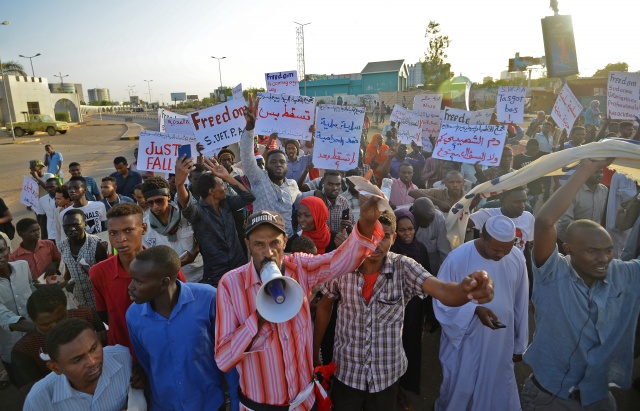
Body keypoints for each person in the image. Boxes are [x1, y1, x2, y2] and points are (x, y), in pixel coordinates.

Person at [215, 188, 388, 410]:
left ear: (285, 241)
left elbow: (340, 261)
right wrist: (259, 318)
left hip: (305, 403)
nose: (268, 252)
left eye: (274, 243)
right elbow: (224, 359)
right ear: (248, 244)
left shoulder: (299, 266)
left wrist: (365, 222)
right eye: (259, 244)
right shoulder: (230, 285)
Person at [314, 211, 495, 411]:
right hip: (347, 372)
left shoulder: (404, 267)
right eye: (370, 236)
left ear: (393, 239)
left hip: (386, 375)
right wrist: (315, 354)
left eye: (384, 237)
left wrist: (466, 291)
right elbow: (324, 306)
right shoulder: (343, 265)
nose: (376, 243)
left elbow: (442, 290)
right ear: (360, 236)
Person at [521, 158, 640, 410]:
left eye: (608, 251)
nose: (603, 259)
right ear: (568, 249)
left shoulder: (620, 273)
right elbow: (544, 222)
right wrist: (587, 169)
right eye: (593, 251)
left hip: (598, 397)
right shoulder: (553, 273)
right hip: (549, 398)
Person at [126, 246, 239, 411]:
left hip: (210, 405)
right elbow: (147, 365)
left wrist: (235, 404)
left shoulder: (209, 299)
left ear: (164, 282)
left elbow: (229, 356)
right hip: (163, 406)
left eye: (139, 281)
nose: (130, 286)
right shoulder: (133, 316)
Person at [434, 215, 529, 411]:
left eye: (507, 249)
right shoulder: (457, 258)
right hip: (467, 342)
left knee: (498, 383)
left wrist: (520, 344)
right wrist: (474, 309)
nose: (501, 255)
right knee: (462, 384)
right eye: (496, 249)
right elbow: (441, 300)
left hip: (501, 340)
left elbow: (521, 299)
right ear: (482, 237)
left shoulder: (517, 256)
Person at [89, 203, 185, 351]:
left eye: (128, 230)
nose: (120, 239)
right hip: (124, 352)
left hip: (166, 349)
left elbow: (184, 309)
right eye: (113, 233)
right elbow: (105, 314)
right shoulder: (98, 272)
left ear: (144, 229)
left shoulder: (165, 264)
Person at [176, 156, 255, 286]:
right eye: (222, 184)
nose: (224, 188)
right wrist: (179, 185)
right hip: (216, 274)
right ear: (212, 191)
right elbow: (186, 205)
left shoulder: (227, 203)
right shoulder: (198, 213)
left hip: (239, 266)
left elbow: (249, 197)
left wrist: (226, 177)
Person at [23, 318, 133, 411]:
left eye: (94, 348)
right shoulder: (38, 401)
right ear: (55, 367)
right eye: (77, 360)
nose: (92, 362)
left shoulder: (123, 358)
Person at [11, 285, 105, 388]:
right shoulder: (24, 350)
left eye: (61, 319)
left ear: (66, 308)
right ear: (33, 321)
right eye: (46, 324)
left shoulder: (87, 315)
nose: (56, 327)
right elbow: (32, 389)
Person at [239, 97, 301, 237]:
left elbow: (303, 201)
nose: (278, 164)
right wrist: (250, 127)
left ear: (287, 166)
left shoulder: (293, 185)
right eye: (273, 162)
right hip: (264, 243)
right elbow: (246, 156)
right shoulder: (258, 179)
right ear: (266, 166)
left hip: (287, 242)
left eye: (281, 162)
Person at [389, 209, 430, 400]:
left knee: (411, 349)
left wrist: (429, 317)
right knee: (393, 351)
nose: (407, 234)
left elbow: (429, 282)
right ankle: (393, 390)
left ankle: (405, 390)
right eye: (402, 230)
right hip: (394, 310)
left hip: (415, 310)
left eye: (410, 229)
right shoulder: (390, 251)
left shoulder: (421, 249)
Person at [140, 176, 203, 282]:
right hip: (173, 281)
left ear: (168, 197)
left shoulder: (186, 216)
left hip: (200, 274)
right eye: (150, 203)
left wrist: (195, 252)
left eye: (159, 201)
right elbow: (150, 261)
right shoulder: (145, 228)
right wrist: (180, 263)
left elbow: (203, 238)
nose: (155, 206)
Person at [0, 236, 36, 383]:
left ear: (8, 250)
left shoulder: (23, 266)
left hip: (37, 343)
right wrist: (45, 329)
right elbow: (5, 316)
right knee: (25, 389)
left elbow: (31, 288)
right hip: (12, 351)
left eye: (1, 250)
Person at [59, 209, 109, 309]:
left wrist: (92, 272)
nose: (72, 229)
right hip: (78, 301)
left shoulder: (98, 245)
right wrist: (67, 284)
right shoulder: (62, 246)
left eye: (76, 225)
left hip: (99, 301)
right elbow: (69, 272)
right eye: (67, 226)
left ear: (85, 224)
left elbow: (106, 277)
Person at [555, 168, 608, 246]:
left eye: (601, 172)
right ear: (586, 173)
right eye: (595, 172)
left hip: (591, 239)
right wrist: (585, 232)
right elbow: (565, 220)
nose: (599, 175)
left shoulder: (604, 190)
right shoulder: (573, 190)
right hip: (569, 239)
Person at [412, 197, 451, 275]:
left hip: (432, 271)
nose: (428, 224)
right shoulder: (402, 218)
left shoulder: (438, 218)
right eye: (424, 222)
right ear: (413, 214)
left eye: (430, 221)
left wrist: (445, 274)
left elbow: (444, 251)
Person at [513, 139, 546, 210]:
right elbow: (514, 174)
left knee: (534, 212)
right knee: (524, 211)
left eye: (536, 150)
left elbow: (556, 155)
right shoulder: (518, 158)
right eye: (533, 150)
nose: (534, 152)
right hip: (524, 191)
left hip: (537, 190)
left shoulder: (540, 156)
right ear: (527, 147)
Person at [36, 177, 61, 243]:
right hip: (52, 235)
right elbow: (42, 218)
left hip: (66, 233)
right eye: (47, 187)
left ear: (58, 185)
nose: (49, 189)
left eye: (52, 187)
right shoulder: (42, 200)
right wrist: (43, 236)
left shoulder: (67, 197)